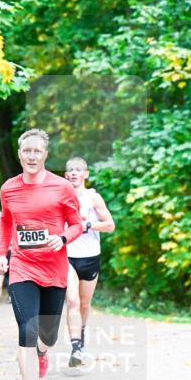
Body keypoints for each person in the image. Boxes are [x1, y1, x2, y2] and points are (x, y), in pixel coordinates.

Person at [0, 129, 83, 380]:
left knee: (48, 337)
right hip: (22, 267)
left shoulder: (62, 188)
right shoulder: (8, 189)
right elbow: (7, 220)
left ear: (45, 155)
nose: (31, 156)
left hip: (54, 270)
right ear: (20, 153)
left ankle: (43, 354)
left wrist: (61, 238)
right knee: (27, 331)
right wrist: (1, 252)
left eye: (37, 151)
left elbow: (76, 225)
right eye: (26, 151)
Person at [63, 157, 115, 367]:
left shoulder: (93, 198)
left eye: (78, 170)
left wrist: (88, 225)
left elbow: (110, 225)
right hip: (67, 257)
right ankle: (75, 348)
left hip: (91, 257)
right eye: (70, 171)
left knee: (84, 304)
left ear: (86, 174)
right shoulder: (61, 198)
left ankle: (81, 342)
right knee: (73, 302)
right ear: (66, 176)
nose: (74, 173)